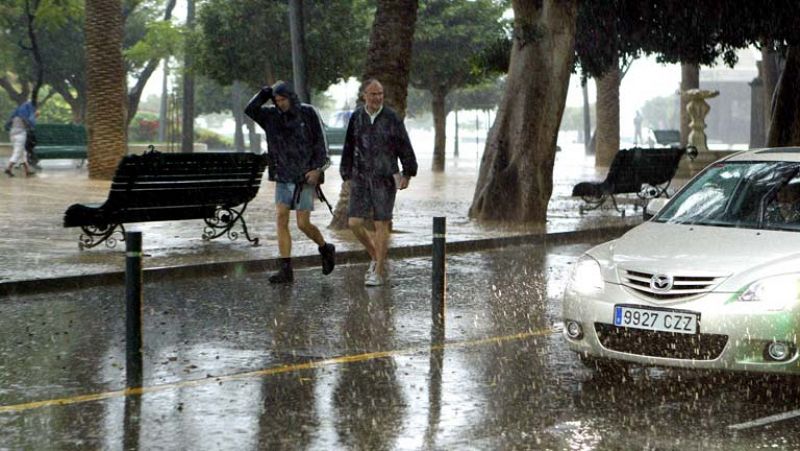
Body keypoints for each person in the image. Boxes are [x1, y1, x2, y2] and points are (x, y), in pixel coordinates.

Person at [245, 81, 336, 284]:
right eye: (276, 100)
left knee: (303, 224)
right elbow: (250, 109)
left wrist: (317, 169)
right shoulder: (270, 115)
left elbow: (321, 145)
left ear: (291, 97)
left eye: (283, 99)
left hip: (304, 177)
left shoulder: (308, 113)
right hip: (283, 175)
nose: (280, 103)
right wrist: (266, 92)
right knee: (281, 218)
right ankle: (286, 269)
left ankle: (325, 247)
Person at [340, 79, 418, 287]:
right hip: (360, 177)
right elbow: (349, 146)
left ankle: (379, 270)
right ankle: (376, 256)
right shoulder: (356, 117)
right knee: (354, 223)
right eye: (373, 94)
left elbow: (404, 144)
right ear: (364, 95)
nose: (377, 98)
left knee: (381, 222)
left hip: (385, 177)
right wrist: (345, 173)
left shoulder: (392, 118)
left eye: (380, 94)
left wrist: (408, 173)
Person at [4, 101, 36, 177]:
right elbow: (30, 124)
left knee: (23, 153)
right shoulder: (24, 116)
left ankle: (27, 171)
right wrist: (34, 116)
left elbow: (7, 126)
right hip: (20, 134)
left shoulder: (14, 115)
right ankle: (8, 168)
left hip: (12, 134)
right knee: (17, 152)